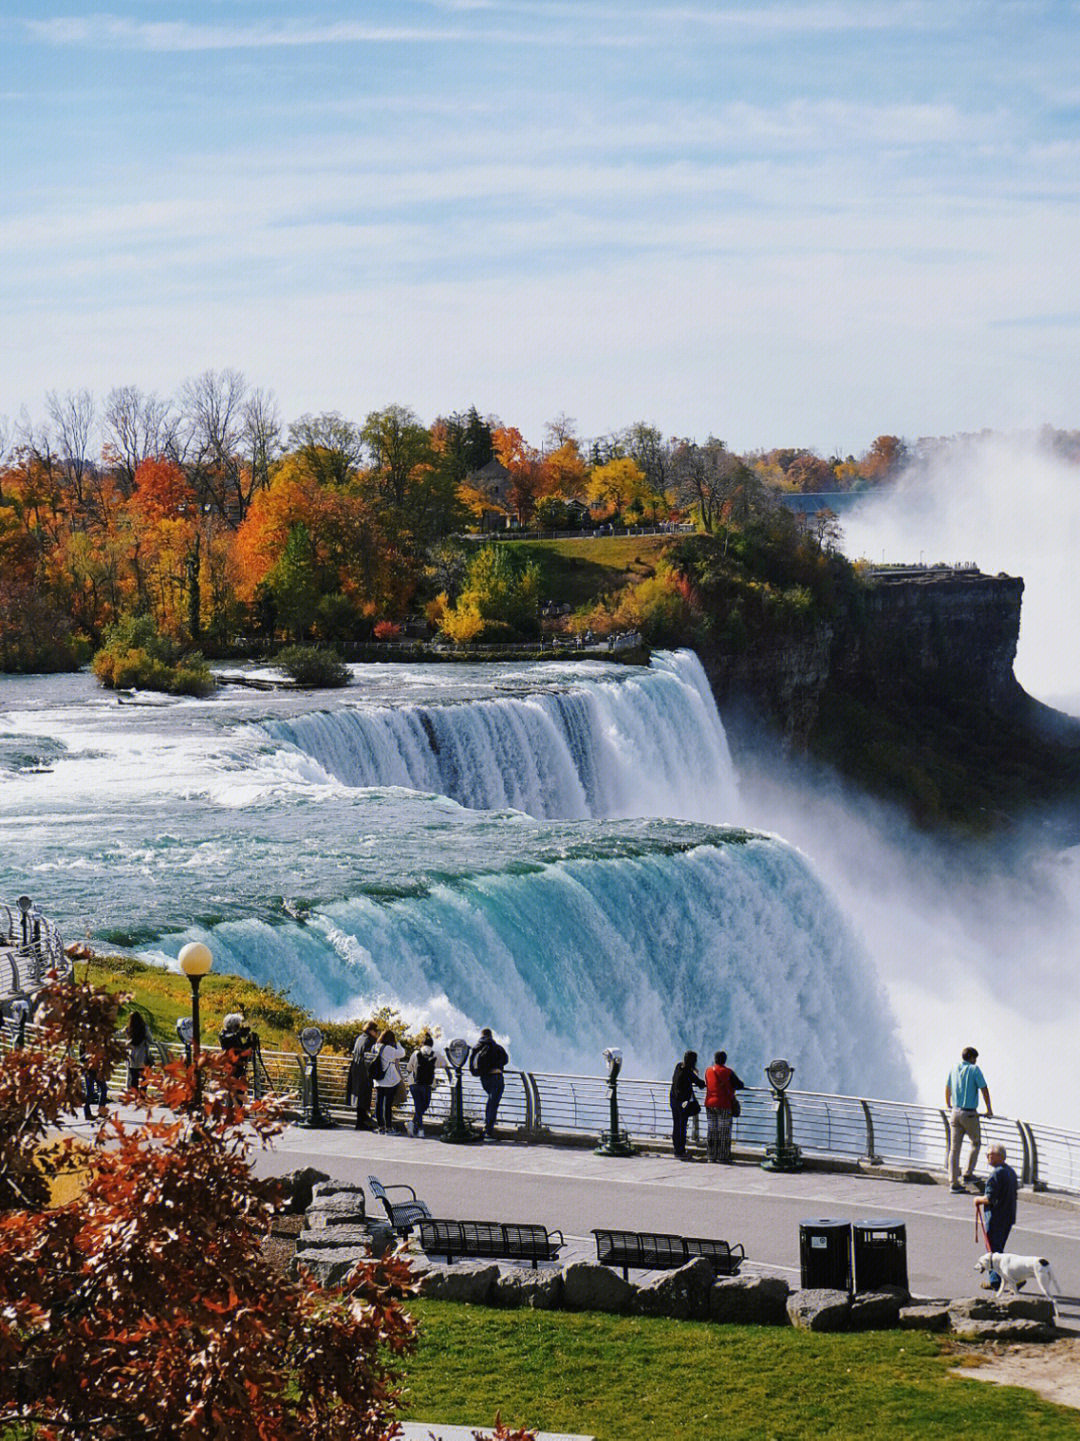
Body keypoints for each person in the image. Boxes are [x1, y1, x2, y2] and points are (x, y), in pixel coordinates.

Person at [945, 1045, 992, 1192]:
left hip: (955, 1112)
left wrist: (948, 1104)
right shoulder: (974, 1069)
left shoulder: (953, 1069)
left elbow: (947, 1088)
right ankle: (967, 1173)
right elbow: (984, 1088)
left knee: (954, 1149)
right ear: (972, 1058)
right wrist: (989, 1109)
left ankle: (953, 1183)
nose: (976, 1061)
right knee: (976, 1143)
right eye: (975, 1058)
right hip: (969, 1113)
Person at [975, 1143, 1019, 1290]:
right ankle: (1006, 1279)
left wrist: (978, 1200)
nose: (987, 1157)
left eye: (990, 1154)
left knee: (993, 1251)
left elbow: (990, 1198)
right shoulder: (1010, 1172)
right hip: (1008, 1216)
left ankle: (999, 1281)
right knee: (998, 1249)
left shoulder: (996, 1174)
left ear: (1000, 1156)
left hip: (996, 1217)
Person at [704, 1050, 744, 1163]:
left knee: (712, 1130)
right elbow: (740, 1085)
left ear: (714, 1059)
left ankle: (711, 1156)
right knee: (724, 1132)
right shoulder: (728, 1072)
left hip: (709, 1104)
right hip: (724, 1105)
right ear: (725, 1060)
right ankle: (723, 1157)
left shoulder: (708, 1071)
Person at [469, 1027, 509, 1139]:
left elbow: (472, 1065)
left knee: (490, 1101)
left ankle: (487, 1127)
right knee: (493, 1103)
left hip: (484, 1079)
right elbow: (505, 1059)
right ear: (491, 1035)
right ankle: (488, 1130)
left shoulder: (477, 1047)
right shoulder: (496, 1047)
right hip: (496, 1077)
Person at [406, 1031, 443, 1137]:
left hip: (414, 1083)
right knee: (424, 1106)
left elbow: (409, 1068)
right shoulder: (436, 1054)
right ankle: (420, 1129)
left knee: (418, 1106)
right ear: (432, 1044)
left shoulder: (415, 1053)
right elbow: (444, 1064)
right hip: (427, 1084)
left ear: (422, 1044)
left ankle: (413, 1124)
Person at [669, 1050, 705, 1159]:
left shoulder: (678, 1066)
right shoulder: (688, 1073)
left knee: (676, 1125)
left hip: (673, 1100)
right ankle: (681, 1151)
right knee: (682, 1126)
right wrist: (695, 1074)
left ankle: (677, 1150)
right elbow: (701, 1084)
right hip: (682, 1103)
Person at [345, 1020, 379, 1130]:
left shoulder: (360, 1038)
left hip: (355, 1068)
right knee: (364, 1095)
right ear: (371, 1030)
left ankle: (361, 1121)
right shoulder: (370, 1041)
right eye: (376, 1030)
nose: (377, 1033)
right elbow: (370, 1057)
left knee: (359, 1096)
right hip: (363, 1070)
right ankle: (361, 1123)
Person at [372, 1028, 406, 1134]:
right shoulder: (388, 1049)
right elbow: (401, 1054)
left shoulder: (375, 1047)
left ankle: (381, 1127)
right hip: (388, 1080)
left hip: (378, 1079)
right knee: (387, 1105)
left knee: (378, 1103)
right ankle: (388, 1128)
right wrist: (398, 1044)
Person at [219, 1012, 253, 1099]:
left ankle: (237, 1108)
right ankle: (231, 1108)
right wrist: (240, 1034)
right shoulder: (225, 1035)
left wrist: (250, 1043)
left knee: (240, 1092)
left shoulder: (233, 1036)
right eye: (237, 1026)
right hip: (232, 1068)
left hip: (239, 1067)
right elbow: (230, 1041)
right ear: (231, 1025)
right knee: (233, 1092)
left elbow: (241, 1049)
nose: (238, 1028)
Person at [126, 1011, 151, 1091]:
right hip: (143, 1057)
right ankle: (143, 1095)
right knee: (144, 1078)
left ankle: (135, 1095)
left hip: (132, 1057)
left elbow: (119, 1034)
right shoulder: (144, 1028)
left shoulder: (129, 1029)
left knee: (134, 1078)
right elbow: (150, 1039)